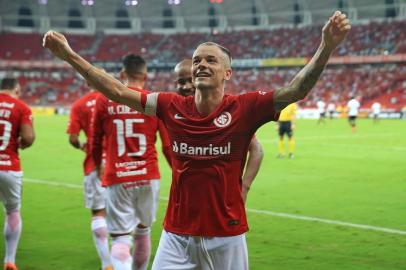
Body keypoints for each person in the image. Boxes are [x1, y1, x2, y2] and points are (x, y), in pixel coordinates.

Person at [43, 10, 350, 269]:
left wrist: (326, 47)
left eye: (211, 60)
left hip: (226, 235)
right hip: (176, 234)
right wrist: (69, 55)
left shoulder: (244, 108)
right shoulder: (170, 105)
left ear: (227, 73)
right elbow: (118, 91)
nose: (202, 64)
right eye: (197, 59)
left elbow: (295, 91)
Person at [92, 54, 171, 270]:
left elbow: (95, 141)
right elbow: (166, 145)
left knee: (119, 239)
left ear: (121, 74)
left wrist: (98, 164)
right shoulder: (154, 100)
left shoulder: (103, 100)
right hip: (148, 175)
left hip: (117, 176)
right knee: (143, 231)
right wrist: (178, 171)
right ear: (145, 75)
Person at [174, 59, 264, 203]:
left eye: (190, 80)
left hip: (222, 201)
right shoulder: (174, 111)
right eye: (181, 81)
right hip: (185, 200)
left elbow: (257, 149)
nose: (186, 86)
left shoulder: (224, 109)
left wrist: (244, 187)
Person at [67, 86, 112, 270]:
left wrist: (82, 146)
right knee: (123, 211)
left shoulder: (79, 104)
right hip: (118, 161)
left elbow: (73, 138)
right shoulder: (115, 99)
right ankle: (123, 252)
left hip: (94, 163)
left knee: (98, 212)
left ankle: (107, 263)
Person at [0, 78, 35, 270]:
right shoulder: (21, 107)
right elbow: (28, 137)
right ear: (16, 89)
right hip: (9, 166)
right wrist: (23, 143)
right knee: (12, 211)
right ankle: (10, 260)